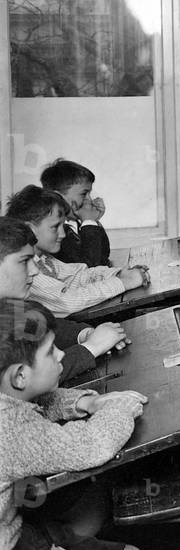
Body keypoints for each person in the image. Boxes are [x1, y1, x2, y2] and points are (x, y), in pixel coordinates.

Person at [0, 298, 158, 550]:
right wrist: (119, 408)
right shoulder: (9, 427)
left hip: (23, 544)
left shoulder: (9, 397)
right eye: (51, 352)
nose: (61, 355)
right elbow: (94, 445)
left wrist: (87, 401)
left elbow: (39, 400)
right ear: (20, 374)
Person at [0, 218, 127, 385]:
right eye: (24, 261)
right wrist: (91, 348)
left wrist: (85, 335)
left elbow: (44, 327)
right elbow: (30, 379)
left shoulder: (10, 307)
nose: (34, 270)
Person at [5, 186, 148, 318]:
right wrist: (123, 282)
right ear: (30, 229)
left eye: (63, 225)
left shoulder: (44, 259)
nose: (62, 233)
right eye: (55, 227)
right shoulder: (27, 272)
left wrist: (118, 274)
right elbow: (67, 301)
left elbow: (78, 275)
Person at [40, 159, 112, 267]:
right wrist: (89, 222)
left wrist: (94, 222)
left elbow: (103, 257)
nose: (89, 199)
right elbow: (90, 267)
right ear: (58, 197)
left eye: (89, 194)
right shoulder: (55, 233)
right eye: (84, 194)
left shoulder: (76, 224)